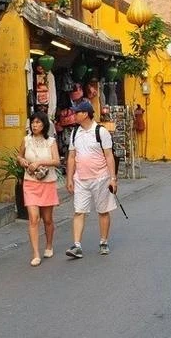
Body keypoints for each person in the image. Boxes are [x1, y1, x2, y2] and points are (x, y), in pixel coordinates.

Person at [65, 100, 117, 259]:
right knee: (79, 211)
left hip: (101, 178)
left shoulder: (101, 132)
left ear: (85, 114)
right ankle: (77, 245)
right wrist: (69, 178)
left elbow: (109, 156)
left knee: (102, 211)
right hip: (81, 179)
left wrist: (113, 178)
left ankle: (103, 242)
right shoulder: (75, 133)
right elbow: (71, 157)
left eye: (77, 112)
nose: (74, 115)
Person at [17, 111, 60, 267]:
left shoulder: (51, 142)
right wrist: (22, 161)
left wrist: (40, 162)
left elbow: (56, 161)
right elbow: (19, 155)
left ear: (44, 125)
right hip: (30, 182)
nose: (35, 125)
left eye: (38, 122)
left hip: (47, 182)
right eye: (33, 122)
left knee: (47, 219)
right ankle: (35, 253)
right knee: (33, 218)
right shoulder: (26, 140)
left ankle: (49, 245)